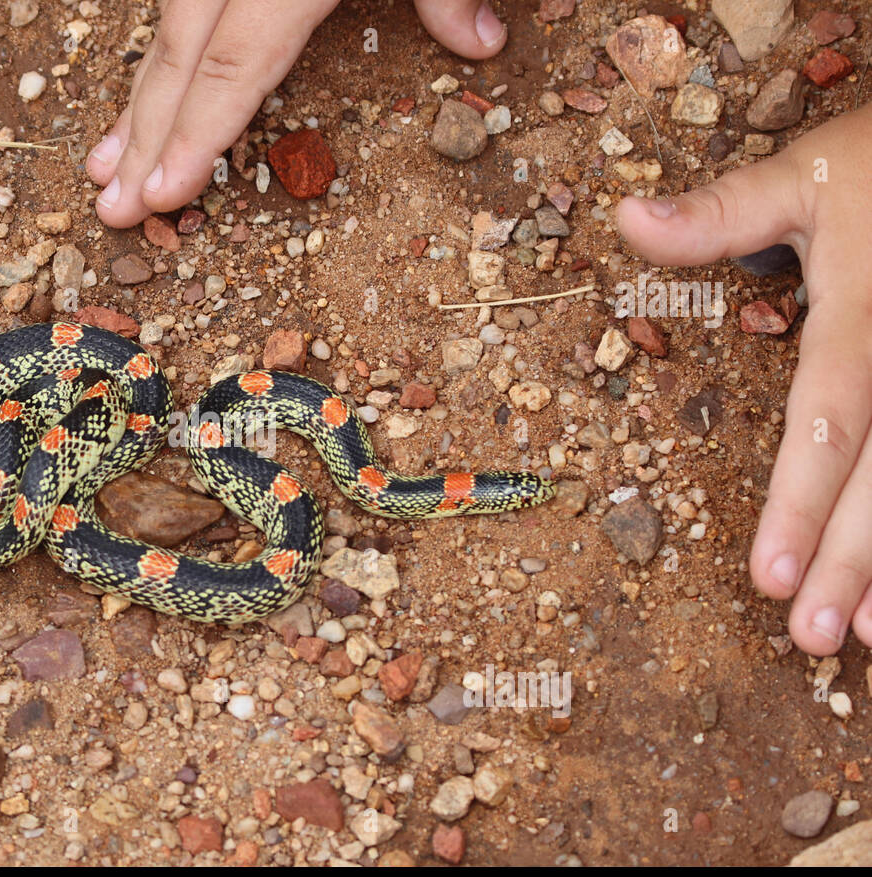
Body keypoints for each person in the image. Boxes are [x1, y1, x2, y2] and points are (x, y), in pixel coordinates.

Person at [84, 0, 872, 659]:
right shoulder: (330, 463)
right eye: (512, 493)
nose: (523, 495)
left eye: (511, 491)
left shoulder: (364, 478)